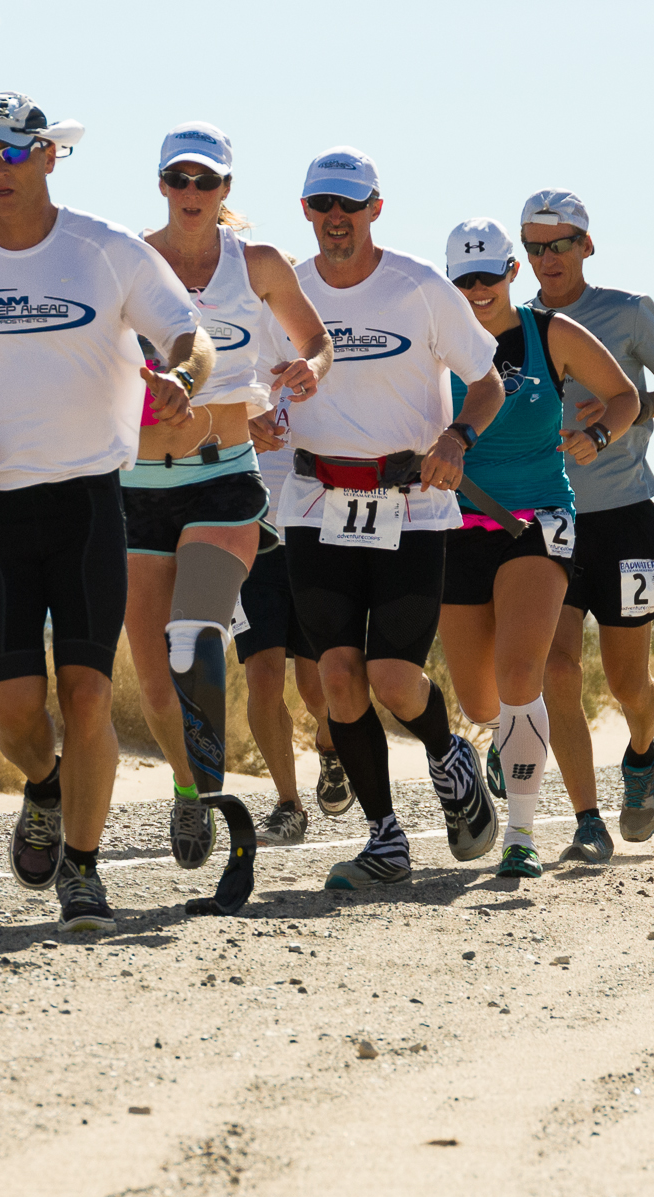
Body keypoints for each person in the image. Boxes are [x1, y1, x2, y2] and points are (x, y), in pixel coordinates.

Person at [0, 92, 213, 932]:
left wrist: (183, 377)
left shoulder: (104, 251)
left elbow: (188, 335)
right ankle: (44, 785)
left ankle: (85, 870)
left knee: (90, 697)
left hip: (89, 501)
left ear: (46, 157)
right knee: (16, 716)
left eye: (7, 153)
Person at [274, 146, 506, 890]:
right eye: (321, 206)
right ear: (306, 212)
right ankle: (385, 838)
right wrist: (256, 420)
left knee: (395, 678)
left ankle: (447, 752)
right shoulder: (287, 293)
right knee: (339, 678)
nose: (335, 219)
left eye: (349, 205)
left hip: (410, 504)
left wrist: (457, 437)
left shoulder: (419, 288)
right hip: (314, 503)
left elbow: (488, 381)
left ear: (375, 209)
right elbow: (252, 387)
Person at [122, 121, 333, 886]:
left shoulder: (261, 264)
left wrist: (306, 370)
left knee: (193, 634)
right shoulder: (128, 260)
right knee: (151, 679)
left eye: (204, 181)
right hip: (134, 488)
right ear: (160, 186)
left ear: (226, 190)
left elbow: (314, 340)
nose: (190, 193)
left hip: (223, 477)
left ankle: (211, 786)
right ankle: (187, 790)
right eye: (178, 179)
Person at [435, 218, 639, 878]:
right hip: (454, 520)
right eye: (462, 280)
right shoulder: (433, 344)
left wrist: (598, 438)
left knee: (524, 673)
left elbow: (622, 396)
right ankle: (502, 743)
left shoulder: (547, 334)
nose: (475, 290)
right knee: (478, 702)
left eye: (487, 277)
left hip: (537, 519)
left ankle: (520, 833)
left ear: (511, 274)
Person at [523, 188, 654, 865]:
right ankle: (585, 817)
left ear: (585, 246)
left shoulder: (626, 313)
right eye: (534, 247)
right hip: (549, 523)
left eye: (559, 244)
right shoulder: (517, 325)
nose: (547, 258)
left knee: (629, 685)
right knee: (558, 672)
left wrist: (625, 411)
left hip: (626, 521)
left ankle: (641, 755)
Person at [244, 277, 355, 839]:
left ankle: (332, 747)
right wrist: (239, 424)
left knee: (318, 688)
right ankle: (288, 805)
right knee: (261, 677)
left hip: (314, 526)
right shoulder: (217, 345)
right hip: (247, 532)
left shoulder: (320, 344)